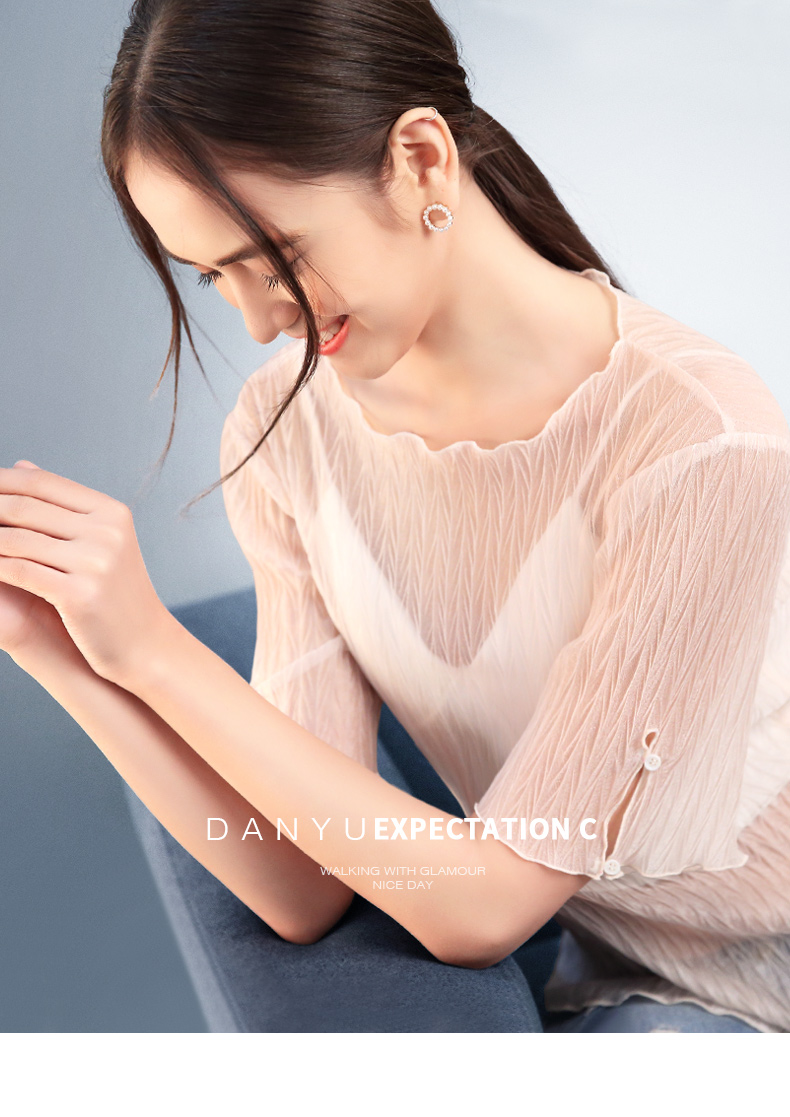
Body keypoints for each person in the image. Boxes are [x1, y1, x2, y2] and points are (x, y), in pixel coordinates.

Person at [1, 0, 788, 1033]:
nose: (259, 319)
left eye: (275, 254)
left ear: (420, 160)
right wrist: (66, 655)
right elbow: (301, 887)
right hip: (655, 987)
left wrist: (155, 647)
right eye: (213, 275)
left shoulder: (700, 440)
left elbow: (486, 906)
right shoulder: (285, 437)